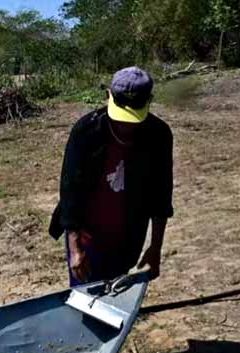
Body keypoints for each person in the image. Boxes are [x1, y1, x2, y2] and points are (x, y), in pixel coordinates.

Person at [49, 66, 173, 287]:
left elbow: (161, 195)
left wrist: (156, 247)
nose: (125, 125)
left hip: (128, 235)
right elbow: (70, 190)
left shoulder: (158, 135)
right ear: (108, 96)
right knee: (86, 296)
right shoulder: (86, 132)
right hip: (88, 237)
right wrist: (75, 248)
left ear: (149, 100)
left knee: (116, 293)